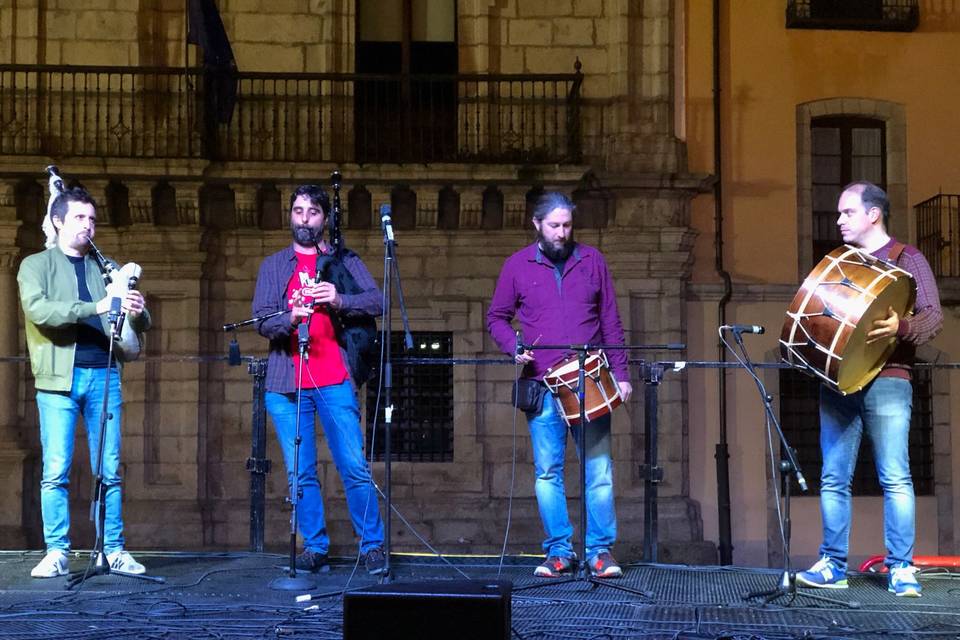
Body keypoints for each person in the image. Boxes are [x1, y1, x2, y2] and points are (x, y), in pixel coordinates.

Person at [797, 181, 943, 597]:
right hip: (839, 382)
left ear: (873, 214)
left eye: (847, 212)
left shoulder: (906, 258)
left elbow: (933, 318)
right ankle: (832, 565)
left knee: (895, 477)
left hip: (889, 379)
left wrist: (901, 326)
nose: (839, 220)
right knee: (833, 477)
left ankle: (901, 568)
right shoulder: (840, 263)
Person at [487, 191, 633, 578]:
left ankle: (600, 552)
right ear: (536, 224)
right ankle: (559, 552)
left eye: (567, 225)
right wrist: (513, 346)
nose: (562, 233)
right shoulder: (517, 265)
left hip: (591, 380)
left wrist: (621, 374)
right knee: (548, 472)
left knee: (599, 470)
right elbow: (497, 318)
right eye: (554, 225)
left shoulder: (592, 260)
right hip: (544, 386)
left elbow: (611, 320)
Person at [252, 184, 387, 575]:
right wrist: (290, 318)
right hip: (287, 383)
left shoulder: (344, 260)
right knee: (300, 472)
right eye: (298, 211)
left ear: (324, 219)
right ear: (290, 216)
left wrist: (340, 299)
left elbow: (378, 301)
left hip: (333, 377)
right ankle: (314, 547)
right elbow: (261, 320)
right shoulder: (274, 265)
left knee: (354, 466)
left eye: (312, 212)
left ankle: (373, 546)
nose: (305, 218)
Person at [17, 186, 151, 578]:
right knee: (55, 470)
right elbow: (41, 311)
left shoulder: (105, 266)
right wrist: (97, 306)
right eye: (79, 217)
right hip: (58, 380)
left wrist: (139, 311)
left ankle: (114, 549)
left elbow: (139, 324)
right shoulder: (35, 265)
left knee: (110, 469)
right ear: (58, 221)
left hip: (104, 374)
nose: (88, 225)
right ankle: (57, 551)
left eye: (92, 219)